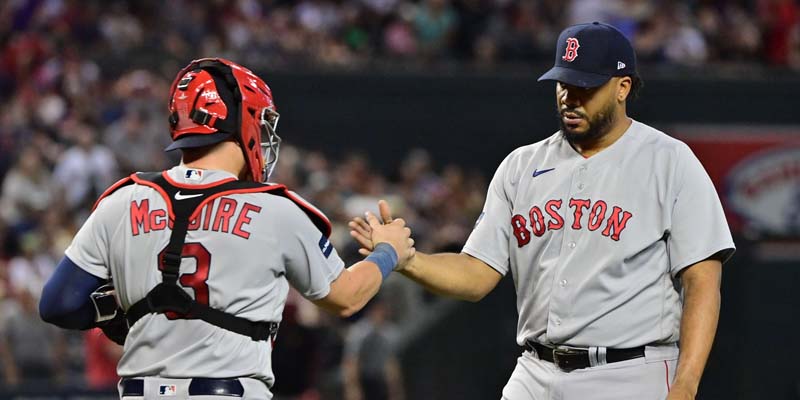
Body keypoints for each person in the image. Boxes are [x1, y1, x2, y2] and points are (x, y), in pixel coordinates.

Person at [350, 22, 735, 400]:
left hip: (630, 373)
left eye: (585, 87)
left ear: (622, 88)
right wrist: (409, 261)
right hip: (534, 372)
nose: (570, 97)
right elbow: (476, 274)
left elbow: (702, 282)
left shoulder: (669, 161)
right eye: (563, 84)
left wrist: (686, 384)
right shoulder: (521, 166)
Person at [39, 58, 415, 399]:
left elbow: (58, 304)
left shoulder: (122, 200)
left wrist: (117, 309)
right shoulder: (275, 208)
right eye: (260, 119)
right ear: (241, 120)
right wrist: (388, 253)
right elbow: (346, 296)